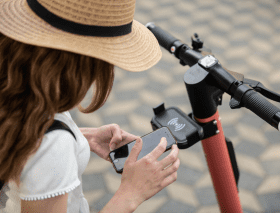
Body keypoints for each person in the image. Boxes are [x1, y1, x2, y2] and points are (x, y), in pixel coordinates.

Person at [0, 0, 180, 212]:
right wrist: (130, 194)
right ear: (82, 65)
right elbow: (46, 151)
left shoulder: (15, 83)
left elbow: (27, 141)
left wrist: (82, 137)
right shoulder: (54, 146)